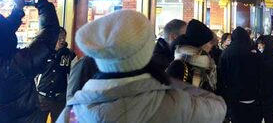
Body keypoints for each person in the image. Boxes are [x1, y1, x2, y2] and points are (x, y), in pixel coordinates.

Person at [58, 9, 226, 122]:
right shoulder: (171, 103)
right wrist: (165, 80)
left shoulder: (74, 112)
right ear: (145, 51)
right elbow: (218, 106)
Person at [219, 27, 262, 123]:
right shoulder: (254, 52)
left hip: (234, 96)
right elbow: (261, 73)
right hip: (254, 94)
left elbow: (222, 75)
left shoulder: (226, 53)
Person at [166, 19, 218, 92]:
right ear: (200, 43)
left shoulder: (205, 63)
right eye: (209, 42)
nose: (211, 46)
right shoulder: (178, 65)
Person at [36, 28, 76, 122]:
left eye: (64, 37)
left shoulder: (69, 54)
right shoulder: (43, 53)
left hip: (60, 98)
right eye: (59, 37)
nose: (62, 40)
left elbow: (74, 74)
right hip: (42, 97)